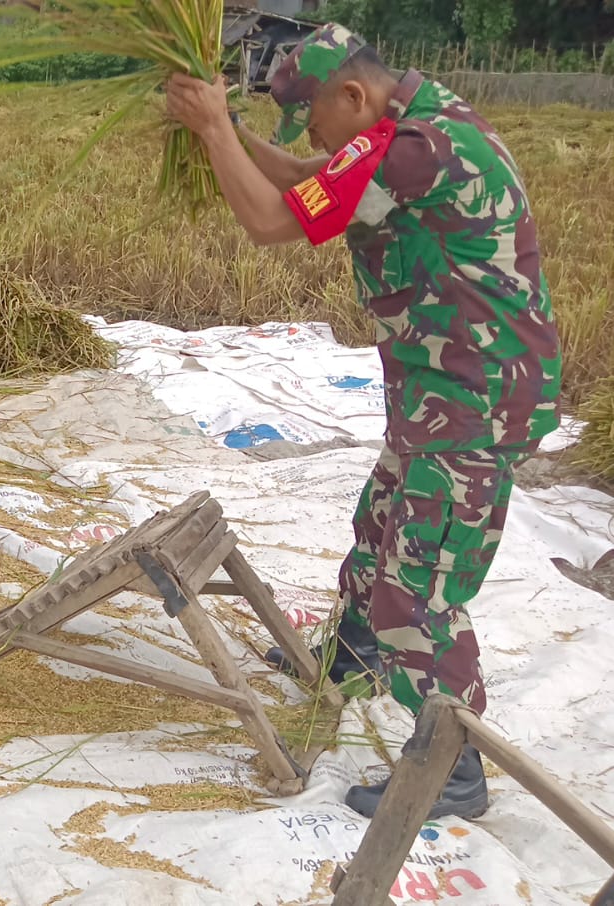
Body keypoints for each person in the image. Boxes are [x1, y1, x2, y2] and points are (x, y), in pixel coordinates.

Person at [162, 24, 561, 820]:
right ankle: (347, 660)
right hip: (438, 390)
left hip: (472, 402)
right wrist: (233, 131)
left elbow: (275, 220)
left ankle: (453, 768)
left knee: (419, 586)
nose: (312, 141)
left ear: (350, 96)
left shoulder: (418, 150)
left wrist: (212, 131)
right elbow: (316, 179)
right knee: (379, 524)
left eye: (313, 120)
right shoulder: (401, 126)